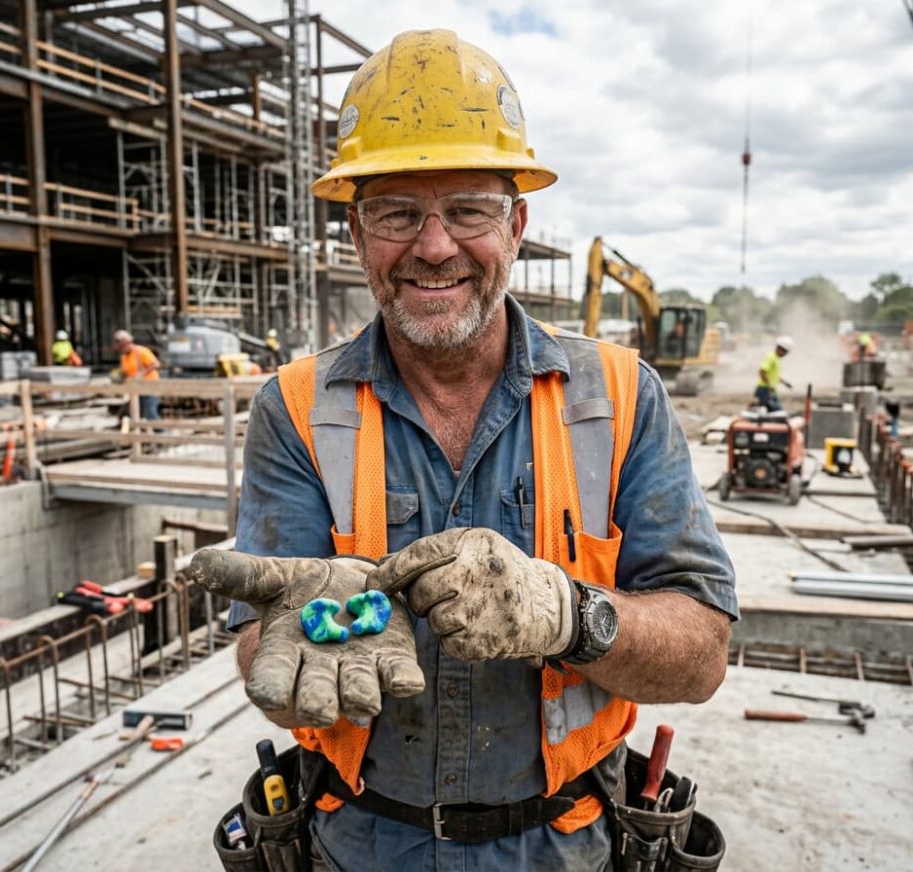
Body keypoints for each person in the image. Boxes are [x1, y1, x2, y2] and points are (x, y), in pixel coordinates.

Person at [188, 29, 736, 871]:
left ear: (516, 225)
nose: (434, 246)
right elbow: (268, 653)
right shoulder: (296, 409)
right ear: (356, 233)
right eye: (397, 212)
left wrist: (570, 615)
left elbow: (701, 656)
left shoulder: (619, 398)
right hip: (361, 845)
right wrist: (298, 639)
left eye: (468, 210)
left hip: (566, 847)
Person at [112, 329, 161, 420]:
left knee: (150, 413)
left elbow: (156, 364)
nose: (121, 350)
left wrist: (141, 374)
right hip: (136, 389)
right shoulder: (124, 356)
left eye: (122, 347)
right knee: (127, 412)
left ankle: (160, 432)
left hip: (149, 387)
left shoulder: (140, 351)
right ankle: (134, 430)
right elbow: (125, 372)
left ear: (127, 344)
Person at [754, 335, 793, 411]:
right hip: (765, 389)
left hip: (770, 390)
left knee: (770, 410)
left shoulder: (776, 359)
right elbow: (762, 371)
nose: (785, 355)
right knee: (774, 410)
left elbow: (774, 376)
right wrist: (769, 385)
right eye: (785, 352)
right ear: (781, 348)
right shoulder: (770, 357)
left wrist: (785, 383)